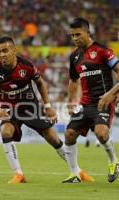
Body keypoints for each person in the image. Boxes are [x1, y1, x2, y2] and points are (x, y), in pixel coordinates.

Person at [0, 36, 67, 184]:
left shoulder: (26, 66)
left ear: (14, 50)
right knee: (5, 131)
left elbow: (40, 83)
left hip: (30, 107)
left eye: (5, 50)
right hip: (9, 110)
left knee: (52, 137)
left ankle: (77, 170)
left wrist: (48, 107)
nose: (2, 55)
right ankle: (18, 174)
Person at [63, 17, 119, 183]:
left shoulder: (103, 51)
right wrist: (70, 101)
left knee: (102, 134)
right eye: (72, 35)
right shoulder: (74, 57)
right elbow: (73, 81)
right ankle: (75, 174)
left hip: (103, 101)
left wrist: (111, 94)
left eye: (78, 34)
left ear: (88, 32)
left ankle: (113, 161)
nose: (75, 38)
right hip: (85, 103)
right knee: (69, 134)